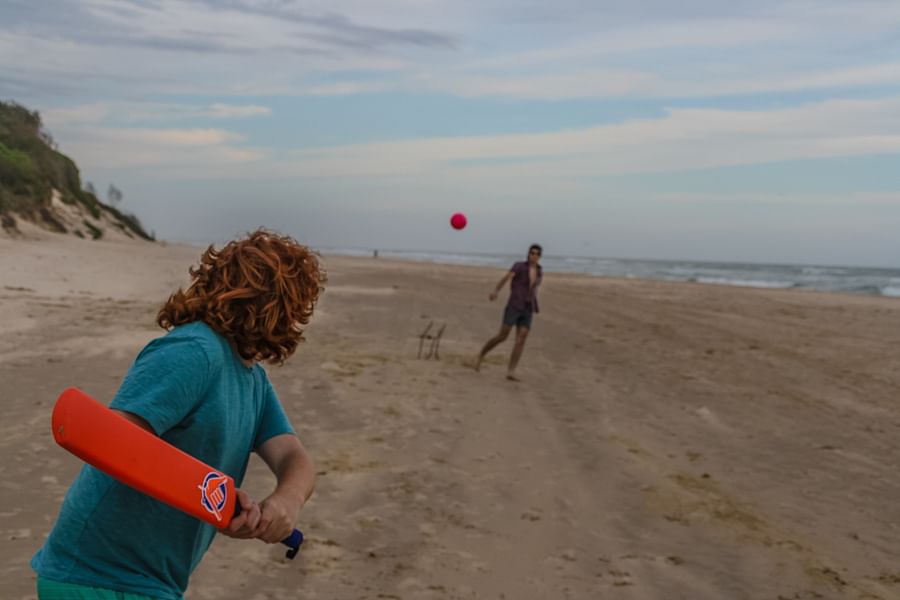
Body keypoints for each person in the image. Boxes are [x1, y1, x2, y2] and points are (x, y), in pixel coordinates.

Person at [31, 229, 326, 600]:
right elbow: (114, 440)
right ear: (283, 307)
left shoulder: (253, 381)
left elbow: (294, 457)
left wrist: (286, 501)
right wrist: (209, 493)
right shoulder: (194, 350)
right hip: (97, 575)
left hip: (152, 582)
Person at [474, 244, 543, 381]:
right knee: (502, 336)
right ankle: (481, 354)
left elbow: (534, 288)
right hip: (514, 305)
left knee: (521, 338)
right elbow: (506, 278)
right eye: (532, 253)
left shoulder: (540, 271)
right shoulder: (519, 266)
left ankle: (511, 371)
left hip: (528, 307)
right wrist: (496, 291)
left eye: (537, 254)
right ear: (528, 254)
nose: (534, 255)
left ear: (540, 256)